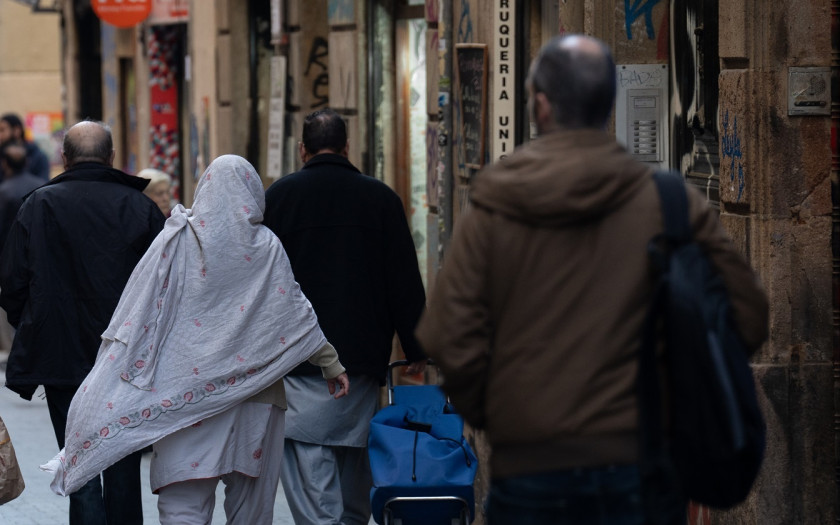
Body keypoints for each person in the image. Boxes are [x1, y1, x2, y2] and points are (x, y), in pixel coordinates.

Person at [414, 35, 770, 524]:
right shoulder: (667, 203)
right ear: (608, 104)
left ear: (540, 104)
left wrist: (500, 416)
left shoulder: (494, 206)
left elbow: (449, 335)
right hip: (641, 467)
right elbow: (746, 318)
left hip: (530, 468)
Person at [45, 154, 352, 524]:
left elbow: (140, 312)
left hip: (183, 397)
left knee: (183, 508)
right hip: (257, 397)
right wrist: (331, 366)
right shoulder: (265, 246)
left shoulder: (175, 241)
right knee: (250, 511)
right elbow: (291, 312)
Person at [263, 108, 428, 525]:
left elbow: (260, 283)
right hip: (361, 361)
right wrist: (416, 347)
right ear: (347, 147)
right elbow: (403, 280)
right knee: (355, 467)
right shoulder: (380, 199)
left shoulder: (280, 198)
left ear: (302, 149)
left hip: (298, 362)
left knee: (309, 468)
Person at [0, 120, 165, 525]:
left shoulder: (39, 205)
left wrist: (37, 324)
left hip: (61, 357)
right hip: (126, 360)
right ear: (111, 158)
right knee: (122, 464)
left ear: (64, 158)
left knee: (80, 464)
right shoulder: (140, 208)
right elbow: (167, 286)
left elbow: (13, 283)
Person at [0, 140, 45, 350]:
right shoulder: (42, 187)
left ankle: (16, 351)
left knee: (6, 308)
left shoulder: (3, 191)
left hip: (7, 258)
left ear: (4, 164)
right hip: (39, 257)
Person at [0, 113, 49, 229]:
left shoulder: (38, 158)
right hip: (2, 231)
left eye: (2, 130)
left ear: (17, 130)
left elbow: (43, 191)